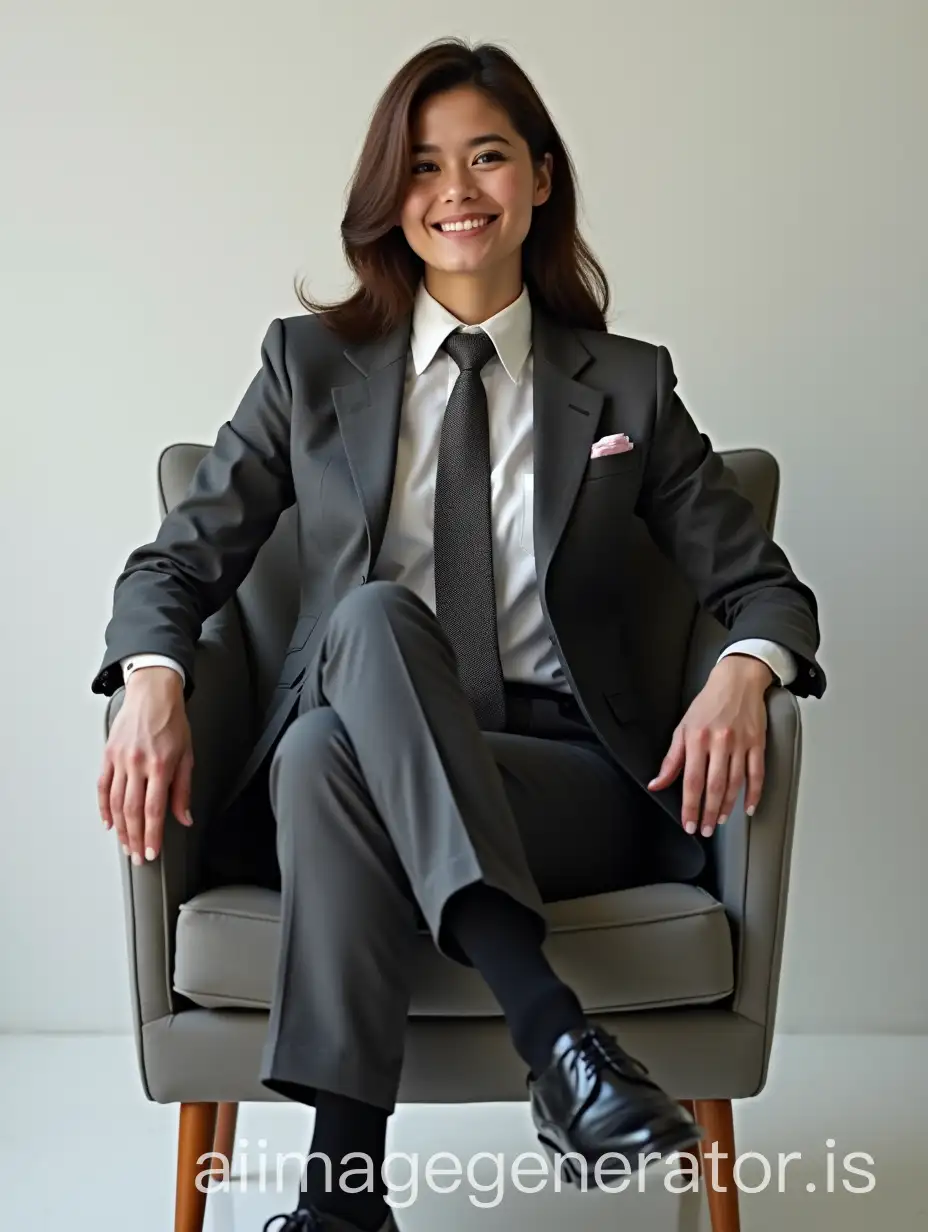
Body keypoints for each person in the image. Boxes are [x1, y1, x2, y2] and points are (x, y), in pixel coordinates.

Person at [93, 37, 825, 1232]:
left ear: (538, 176)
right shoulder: (309, 367)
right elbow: (175, 559)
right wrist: (156, 676)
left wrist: (746, 670)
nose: (455, 192)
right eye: (424, 167)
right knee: (355, 673)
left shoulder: (627, 389)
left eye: (484, 157)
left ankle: (341, 1204)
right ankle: (560, 1045)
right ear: (393, 199)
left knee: (330, 753)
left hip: (562, 778)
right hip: (354, 730)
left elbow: (767, 588)